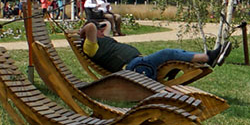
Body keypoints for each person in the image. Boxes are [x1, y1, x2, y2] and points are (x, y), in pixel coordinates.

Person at [79, 21, 229, 81]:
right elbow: (90, 27)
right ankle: (208, 58)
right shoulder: (91, 46)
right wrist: (83, 31)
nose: (102, 31)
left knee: (174, 53)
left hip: (138, 62)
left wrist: (100, 26)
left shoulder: (102, 39)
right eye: (99, 30)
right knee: (167, 53)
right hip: (133, 68)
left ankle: (205, 59)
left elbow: (107, 24)